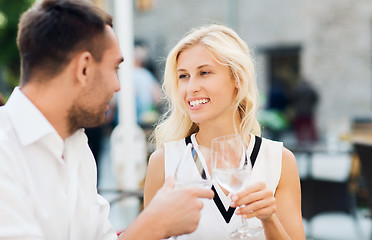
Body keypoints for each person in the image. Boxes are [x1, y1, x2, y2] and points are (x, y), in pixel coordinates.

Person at [0, 0, 213, 239]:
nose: (118, 87)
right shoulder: (5, 151)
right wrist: (151, 227)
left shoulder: (76, 146)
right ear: (84, 69)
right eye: (114, 69)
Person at [144, 24, 305, 239]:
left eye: (204, 73)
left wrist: (269, 219)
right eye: (183, 76)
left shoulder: (279, 160)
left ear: (237, 79)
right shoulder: (164, 162)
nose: (191, 87)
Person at [133, 41, 163, 127]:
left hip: (124, 122)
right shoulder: (146, 75)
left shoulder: (123, 76)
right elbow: (158, 97)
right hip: (145, 121)